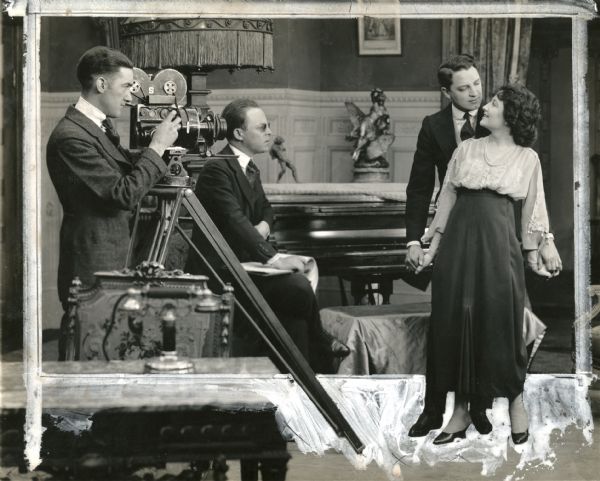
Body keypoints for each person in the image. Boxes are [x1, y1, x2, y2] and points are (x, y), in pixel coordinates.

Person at [412, 84, 562, 445]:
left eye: (495, 102)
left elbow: (532, 210)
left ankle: (515, 400)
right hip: (458, 248)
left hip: (498, 248)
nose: (486, 105)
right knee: (457, 323)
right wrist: (430, 244)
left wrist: (539, 250)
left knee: (500, 323)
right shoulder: (467, 149)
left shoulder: (528, 158)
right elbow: (446, 197)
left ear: (511, 116)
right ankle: (460, 412)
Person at [185, 98, 349, 373]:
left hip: (247, 265)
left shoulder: (249, 167)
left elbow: (267, 210)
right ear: (238, 133)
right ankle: (321, 351)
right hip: (220, 272)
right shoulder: (217, 168)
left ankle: (303, 382)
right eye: (262, 128)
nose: (270, 133)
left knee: (294, 317)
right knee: (297, 287)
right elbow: (235, 221)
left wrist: (263, 226)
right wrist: (273, 259)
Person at [46, 46, 180, 355]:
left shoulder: (96, 127)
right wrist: (157, 147)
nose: (129, 97)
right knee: (89, 343)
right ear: (101, 85)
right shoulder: (71, 136)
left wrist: (156, 153)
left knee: (111, 344)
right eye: (124, 87)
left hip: (111, 254)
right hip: (94, 259)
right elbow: (123, 193)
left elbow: (119, 169)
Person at [405, 53, 491, 437]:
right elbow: (420, 186)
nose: (474, 93)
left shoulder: (497, 118)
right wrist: (413, 238)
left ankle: (480, 406)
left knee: (485, 319)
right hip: (449, 231)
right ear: (446, 92)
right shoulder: (433, 126)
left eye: (476, 83)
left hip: (491, 230)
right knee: (444, 321)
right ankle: (433, 409)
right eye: (463, 88)